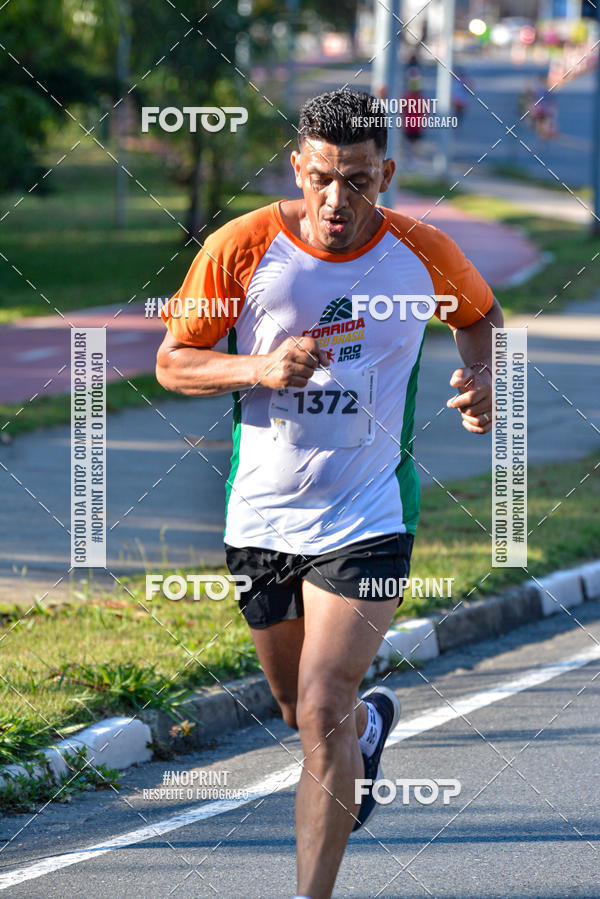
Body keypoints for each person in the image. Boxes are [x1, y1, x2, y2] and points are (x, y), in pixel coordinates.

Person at [156, 88, 503, 899]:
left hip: (372, 511)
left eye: (357, 180)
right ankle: (371, 730)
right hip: (261, 517)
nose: (336, 199)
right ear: (297, 166)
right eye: (321, 178)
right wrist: (256, 368)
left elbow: (480, 316)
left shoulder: (422, 251)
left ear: (384, 172)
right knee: (294, 709)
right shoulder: (242, 246)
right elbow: (175, 360)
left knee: (321, 705)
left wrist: (484, 379)